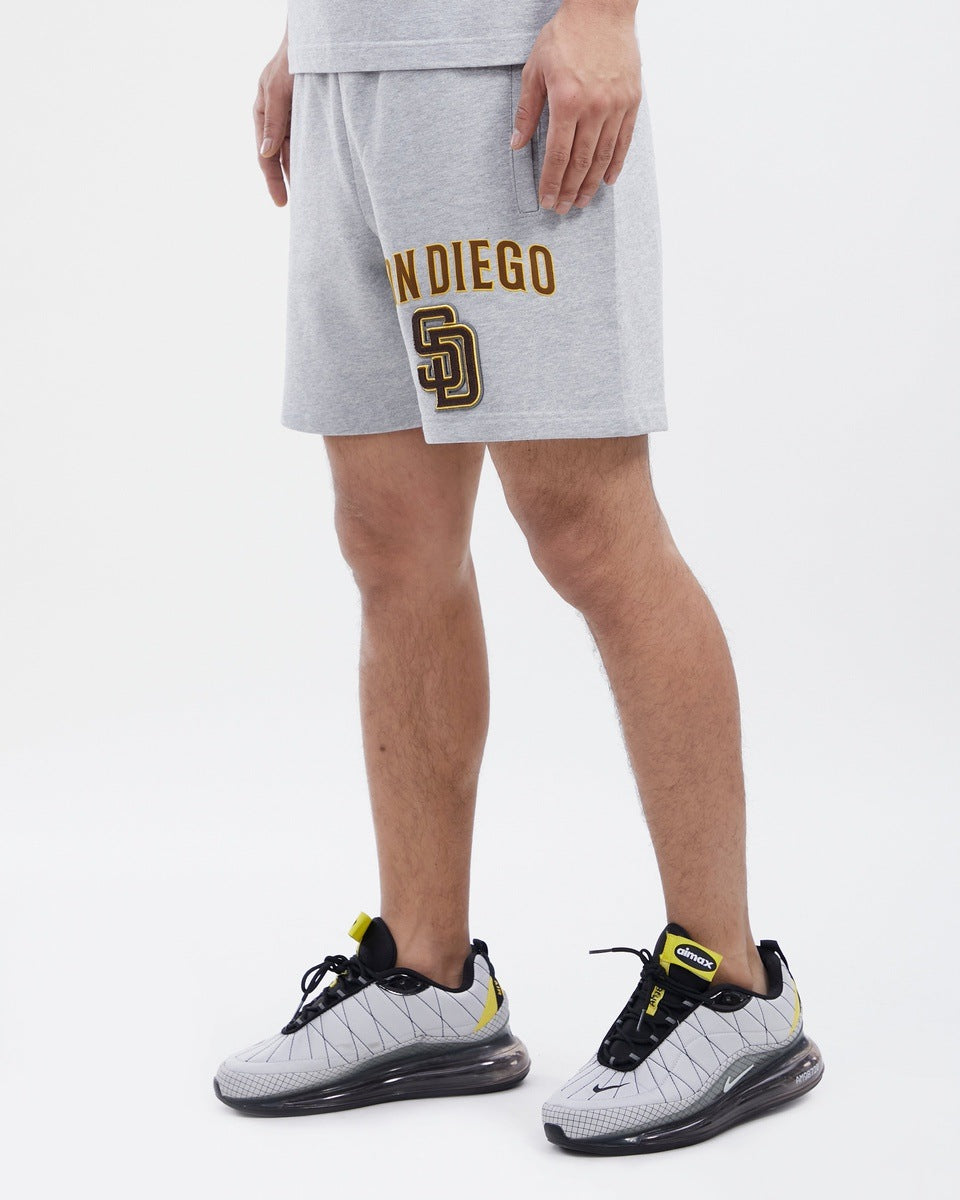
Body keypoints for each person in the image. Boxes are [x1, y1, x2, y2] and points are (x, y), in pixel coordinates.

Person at [213, 0, 823, 1152]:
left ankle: (731, 984)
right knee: (389, 541)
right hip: (353, 79)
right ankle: (428, 978)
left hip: (506, 73)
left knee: (590, 531)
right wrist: (312, 39)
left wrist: (601, 13)